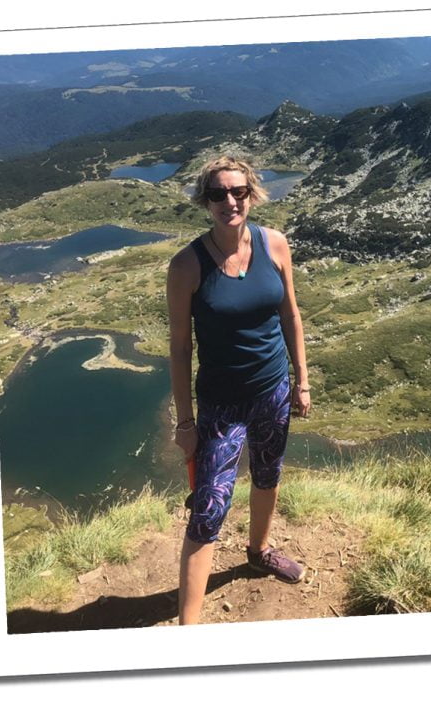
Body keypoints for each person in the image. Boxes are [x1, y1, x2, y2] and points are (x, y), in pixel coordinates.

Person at [166, 155, 311, 625]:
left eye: (238, 192)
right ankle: (189, 631)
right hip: (220, 403)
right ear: (204, 201)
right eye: (217, 194)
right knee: (208, 508)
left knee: (268, 474)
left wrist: (301, 382)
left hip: (272, 389)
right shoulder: (187, 265)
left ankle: (259, 551)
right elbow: (180, 349)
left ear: (252, 194)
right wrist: (185, 422)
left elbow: (290, 315)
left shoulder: (276, 245)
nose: (229, 201)